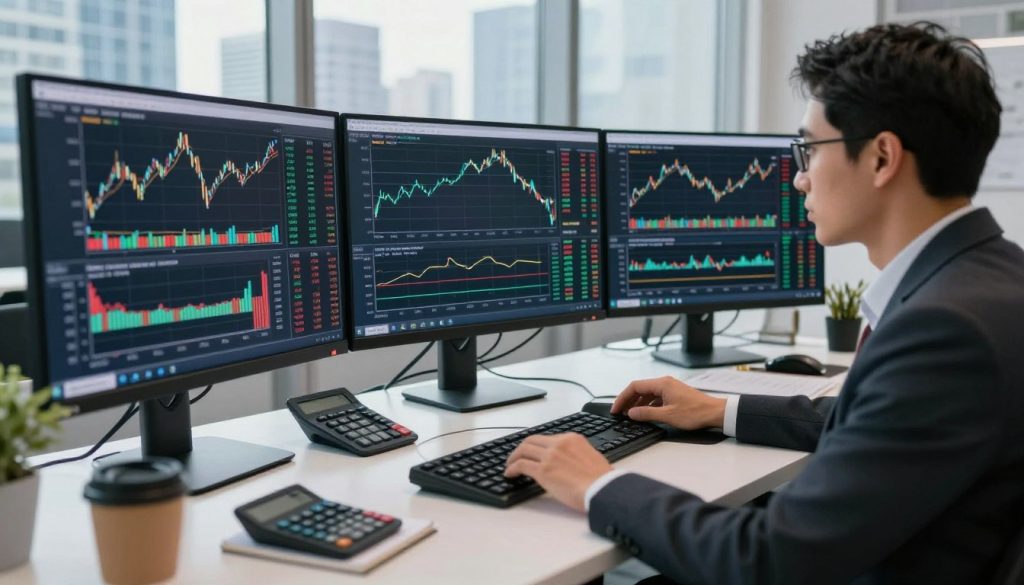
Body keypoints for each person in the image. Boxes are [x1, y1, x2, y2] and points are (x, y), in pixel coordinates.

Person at [505, 22, 1024, 585]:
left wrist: (598, 485)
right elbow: (882, 425)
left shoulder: (943, 330)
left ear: (881, 158)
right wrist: (720, 410)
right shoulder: (992, 277)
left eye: (810, 150)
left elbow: (770, 560)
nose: (799, 180)